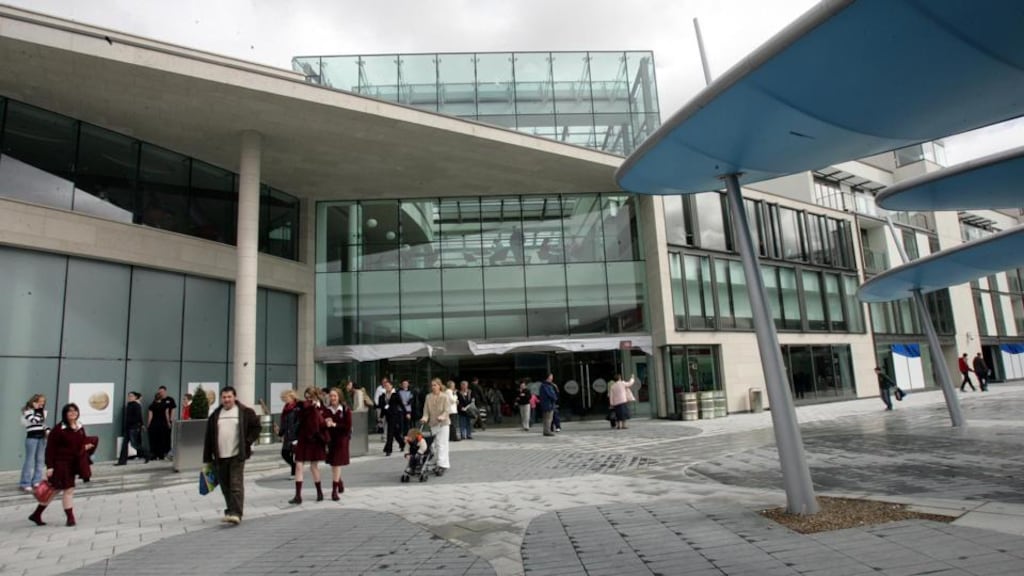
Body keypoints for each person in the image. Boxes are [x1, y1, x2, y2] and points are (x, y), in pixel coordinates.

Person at [29, 403, 97, 527]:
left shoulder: (79, 427)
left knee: (55, 489)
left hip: (73, 463)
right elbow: (50, 449)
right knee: (68, 489)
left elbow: (81, 442)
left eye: (75, 411)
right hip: (61, 463)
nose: (73, 413)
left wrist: (87, 446)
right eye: (70, 411)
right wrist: (50, 466)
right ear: (65, 414)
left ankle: (37, 514)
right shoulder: (59, 429)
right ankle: (70, 518)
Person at [202, 387, 261, 525]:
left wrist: (247, 441)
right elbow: (209, 437)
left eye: (229, 397)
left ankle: (236, 513)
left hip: (237, 454)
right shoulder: (216, 414)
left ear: (234, 397)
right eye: (224, 397)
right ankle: (230, 510)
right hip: (220, 455)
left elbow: (257, 427)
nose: (226, 400)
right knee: (225, 485)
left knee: (235, 484)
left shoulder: (245, 412)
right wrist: (207, 457)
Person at [291, 386, 328, 504]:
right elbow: (299, 415)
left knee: (313, 466)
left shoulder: (320, 408)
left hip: (314, 439)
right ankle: (298, 496)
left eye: (310, 396)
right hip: (303, 437)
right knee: (299, 465)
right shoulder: (304, 406)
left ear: (315, 396)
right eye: (306, 396)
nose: (307, 398)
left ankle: (319, 492)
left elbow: (323, 422)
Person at [321, 388, 351, 501]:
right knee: (333, 464)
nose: (332, 398)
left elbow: (347, 427)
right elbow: (322, 424)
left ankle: (334, 491)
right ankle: (339, 481)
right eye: (331, 396)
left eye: (335, 396)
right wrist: (325, 424)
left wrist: (334, 425)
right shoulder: (326, 410)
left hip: (342, 439)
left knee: (337, 463)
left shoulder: (345, 410)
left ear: (339, 397)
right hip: (331, 440)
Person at [420, 378, 450, 475]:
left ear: (439, 386)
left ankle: (442, 465)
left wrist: (442, 416)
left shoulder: (445, 397)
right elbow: (426, 411)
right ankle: (439, 463)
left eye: (435, 385)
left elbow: (447, 410)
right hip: (433, 423)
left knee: (442, 444)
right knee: (436, 444)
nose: (433, 387)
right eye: (432, 385)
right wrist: (424, 418)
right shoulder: (428, 397)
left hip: (443, 423)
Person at [20, 394, 48, 492]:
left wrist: (48, 431)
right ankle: (25, 483)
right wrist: (37, 411)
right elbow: (34, 420)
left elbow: (42, 424)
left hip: (41, 437)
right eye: (40, 401)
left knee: (40, 460)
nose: (42, 403)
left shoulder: (43, 412)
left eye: (43, 401)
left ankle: (36, 481)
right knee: (29, 460)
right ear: (34, 402)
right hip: (32, 438)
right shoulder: (27, 411)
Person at [116, 391, 148, 465]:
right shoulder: (129, 405)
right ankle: (122, 461)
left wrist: (141, 425)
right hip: (128, 428)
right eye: (129, 396)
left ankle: (147, 454)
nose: (129, 397)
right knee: (124, 445)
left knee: (134, 444)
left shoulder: (136, 405)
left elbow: (138, 416)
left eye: (131, 396)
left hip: (133, 428)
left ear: (135, 397)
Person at [147, 386, 177, 460]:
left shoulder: (169, 400)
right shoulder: (164, 405)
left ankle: (159, 454)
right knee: (161, 439)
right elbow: (166, 414)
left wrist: (171, 420)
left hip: (156, 424)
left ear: (165, 391)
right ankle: (161, 455)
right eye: (160, 392)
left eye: (162, 391)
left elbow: (172, 410)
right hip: (163, 424)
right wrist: (168, 422)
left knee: (162, 439)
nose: (161, 393)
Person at [378, 380, 406, 455]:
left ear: (391, 386)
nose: (386, 387)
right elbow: (383, 407)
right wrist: (381, 417)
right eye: (385, 386)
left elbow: (401, 404)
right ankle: (402, 443)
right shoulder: (383, 395)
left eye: (388, 385)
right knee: (395, 433)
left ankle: (388, 449)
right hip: (387, 416)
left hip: (394, 415)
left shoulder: (395, 394)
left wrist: (406, 413)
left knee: (390, 432)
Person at [276, 389, 299, 476]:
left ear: (292, 397)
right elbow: (284, 422)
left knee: (293, 453)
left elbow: (298, 422)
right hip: (287, 435)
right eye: (284, 398)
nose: (284, 400)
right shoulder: (286, 408)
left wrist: (294, 431)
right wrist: (280, 433)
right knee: (284, 453)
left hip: (295, 435)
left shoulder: (297, 408)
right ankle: (294, 467)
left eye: (286, 398)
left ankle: (294, 472)